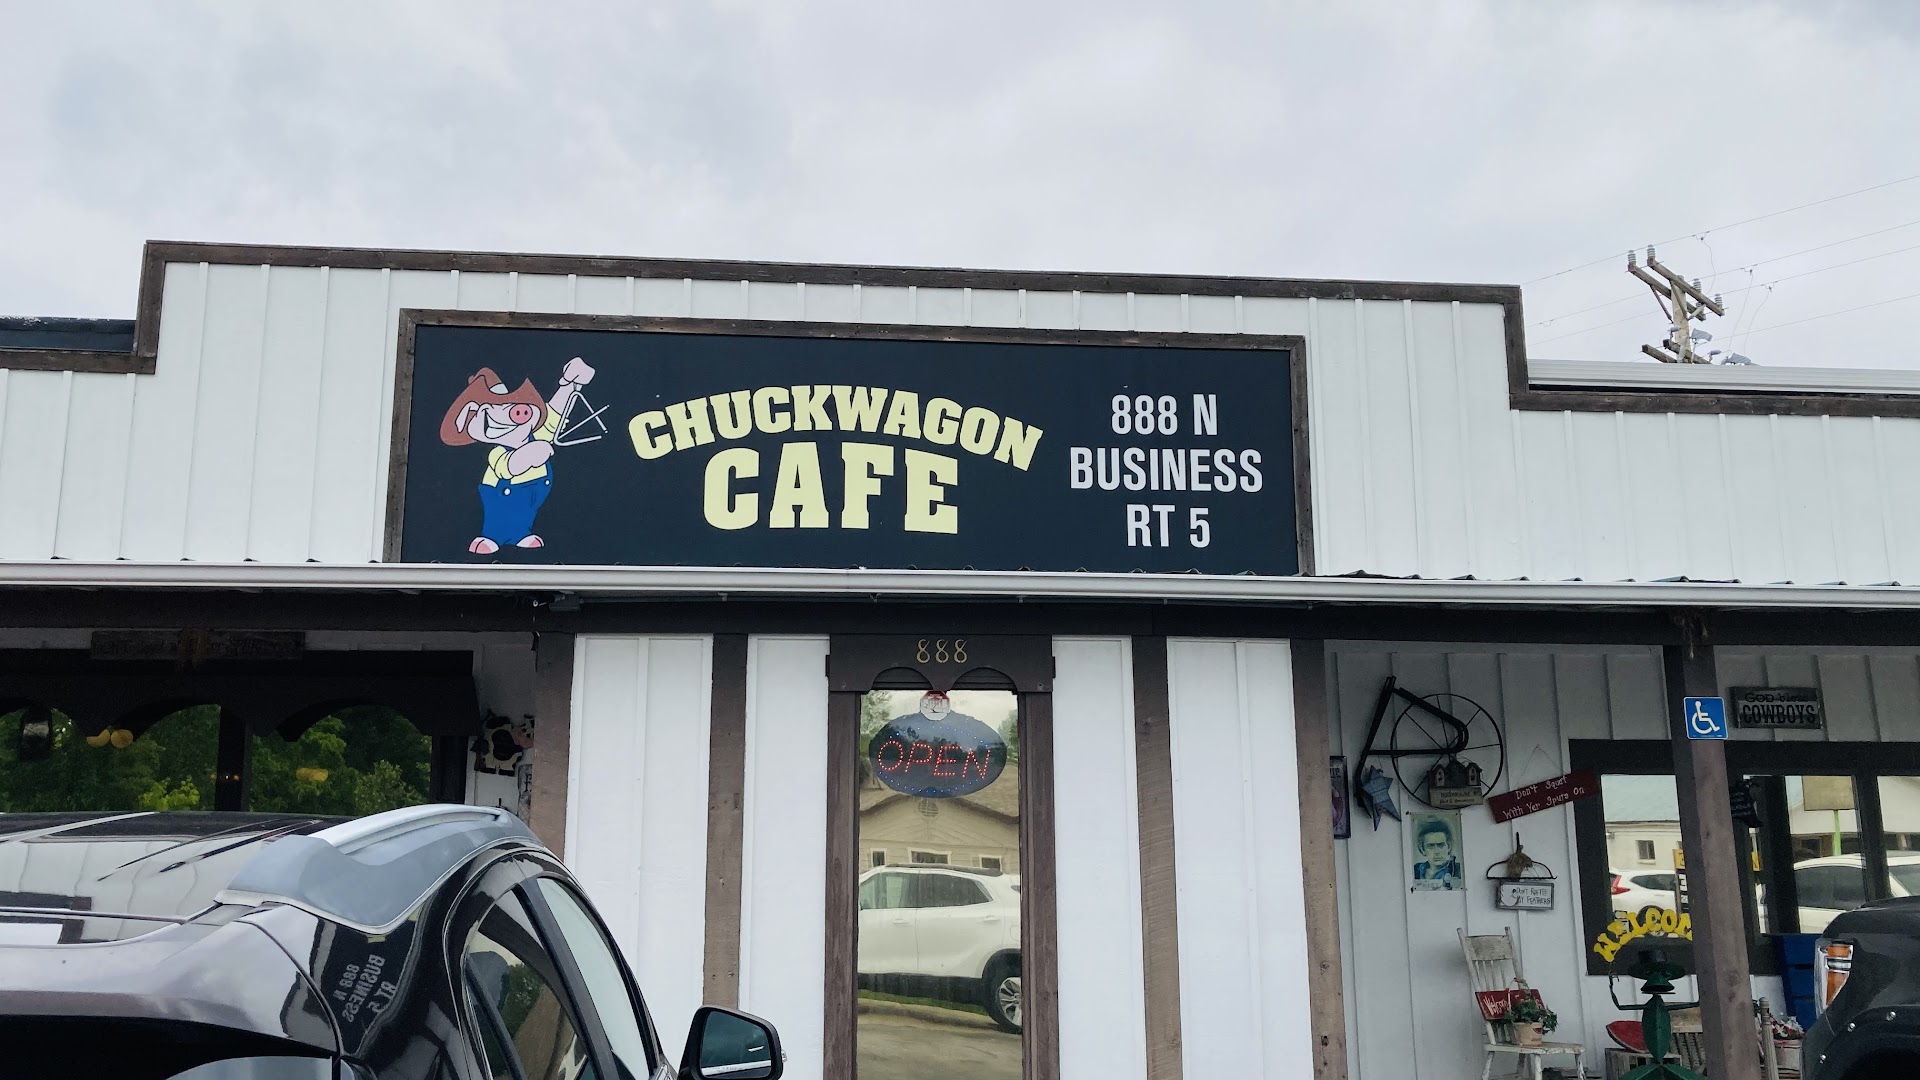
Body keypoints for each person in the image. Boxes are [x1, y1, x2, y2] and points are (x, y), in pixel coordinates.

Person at [1414, 818, 1462, 889]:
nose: (1436, 852)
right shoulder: (1415, 870)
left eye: (1441, 845)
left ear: (1449, 847)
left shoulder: (1458, 871)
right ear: (1423, 849)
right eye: (1430, 846)